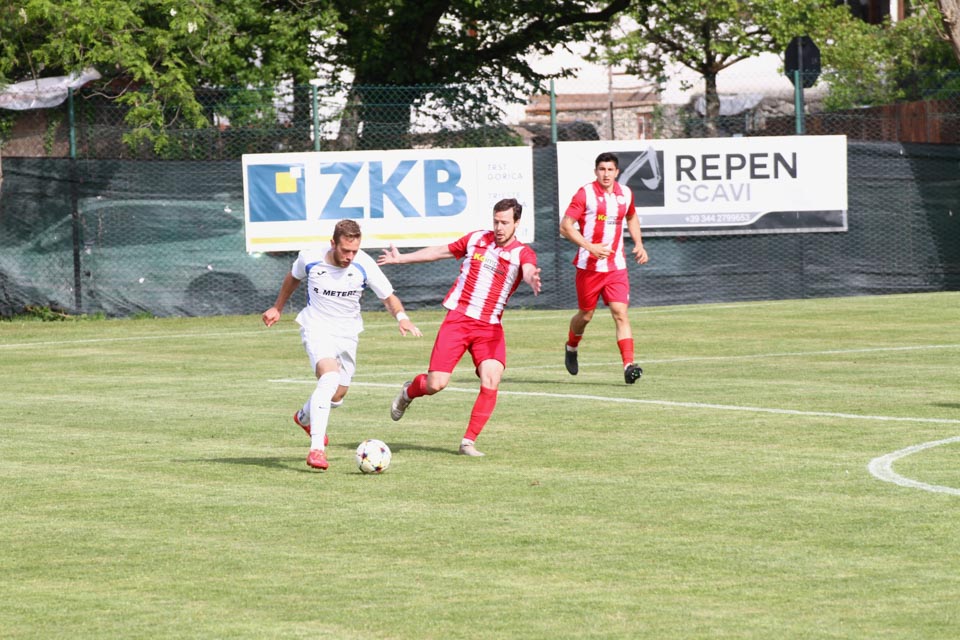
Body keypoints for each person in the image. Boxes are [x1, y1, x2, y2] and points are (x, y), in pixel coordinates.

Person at [377, 198, 541, 457]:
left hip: (489, 328)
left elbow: (529, 268)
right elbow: (439, 251)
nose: (499, 227)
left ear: (517, 223)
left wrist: (531, 277)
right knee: (436, 384)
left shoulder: (522, 253)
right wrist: (401, 259)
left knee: (492, 378)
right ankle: (409, 391)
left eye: (505, 223)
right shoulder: (477, 239)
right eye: (496, 221)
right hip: (459, 320)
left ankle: (467, 442)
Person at [262, 219, 422, 471]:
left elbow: (388, 297)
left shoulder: (364, 264)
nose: (349, 256)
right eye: (345, 250)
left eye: (354, 251)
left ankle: (304, 417)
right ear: (333, 243)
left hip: (348, 332)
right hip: (316, 326)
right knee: (329, 378)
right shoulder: (310, 258)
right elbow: (292, 278)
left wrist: (402, 318)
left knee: (337, 394)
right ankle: (316, 449)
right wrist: (277, 307)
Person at [560, 151, 649, 384]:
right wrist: (590, 247)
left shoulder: (625, 194)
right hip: (588, 268)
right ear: (595, 171)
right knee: (586, 315)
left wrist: (639, 244)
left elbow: (631, 217)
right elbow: (565, 226)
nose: (606, 174)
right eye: (602, 169)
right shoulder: (585, 194)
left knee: (620, 313)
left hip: (616, 267)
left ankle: (629, 365)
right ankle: (571, 346)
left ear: (617, 172)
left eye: (610, 170)